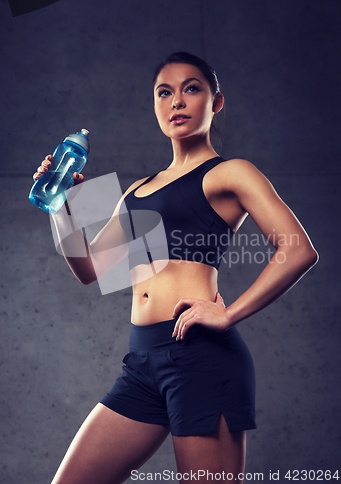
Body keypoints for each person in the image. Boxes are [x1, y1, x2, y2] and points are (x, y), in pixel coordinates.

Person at [33, 52, 318, 484]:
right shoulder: (136, 189)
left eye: (192, 89)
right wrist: (60, 206)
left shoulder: (230, 172)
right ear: (155, 105)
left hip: (200, 357)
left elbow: (298, 250)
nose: (177, 102)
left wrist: (228, 313)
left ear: (215, 102)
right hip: (142, 363)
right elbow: (90, 269)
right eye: (165, 92)